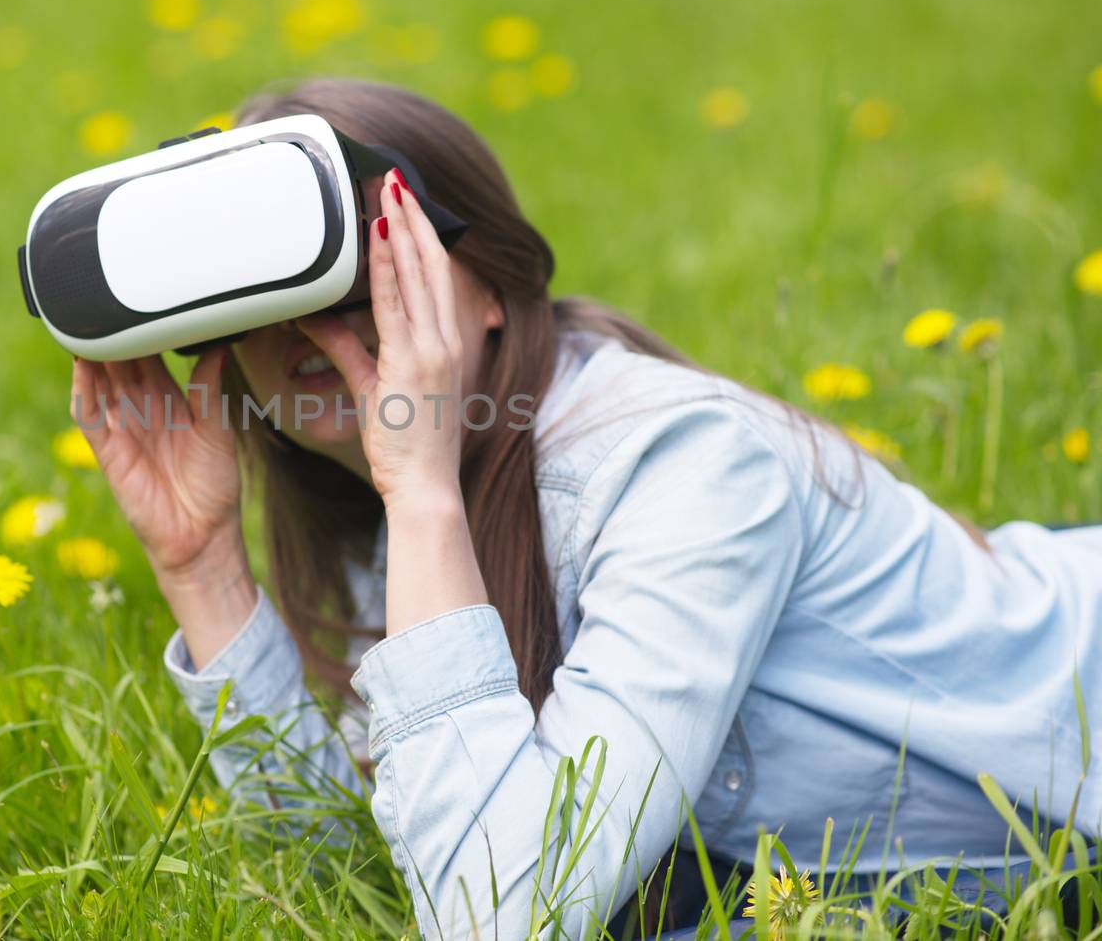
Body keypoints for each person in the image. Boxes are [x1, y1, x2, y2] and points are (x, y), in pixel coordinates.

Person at [68, 76, 1102, 939]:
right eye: (272, 295)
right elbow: (363, 873)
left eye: (370, 271)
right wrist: (200, 566)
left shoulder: (686, 467)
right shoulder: (384, 512)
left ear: (488, 290)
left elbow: (506, 912)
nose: (319, 318)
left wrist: (422, 491)